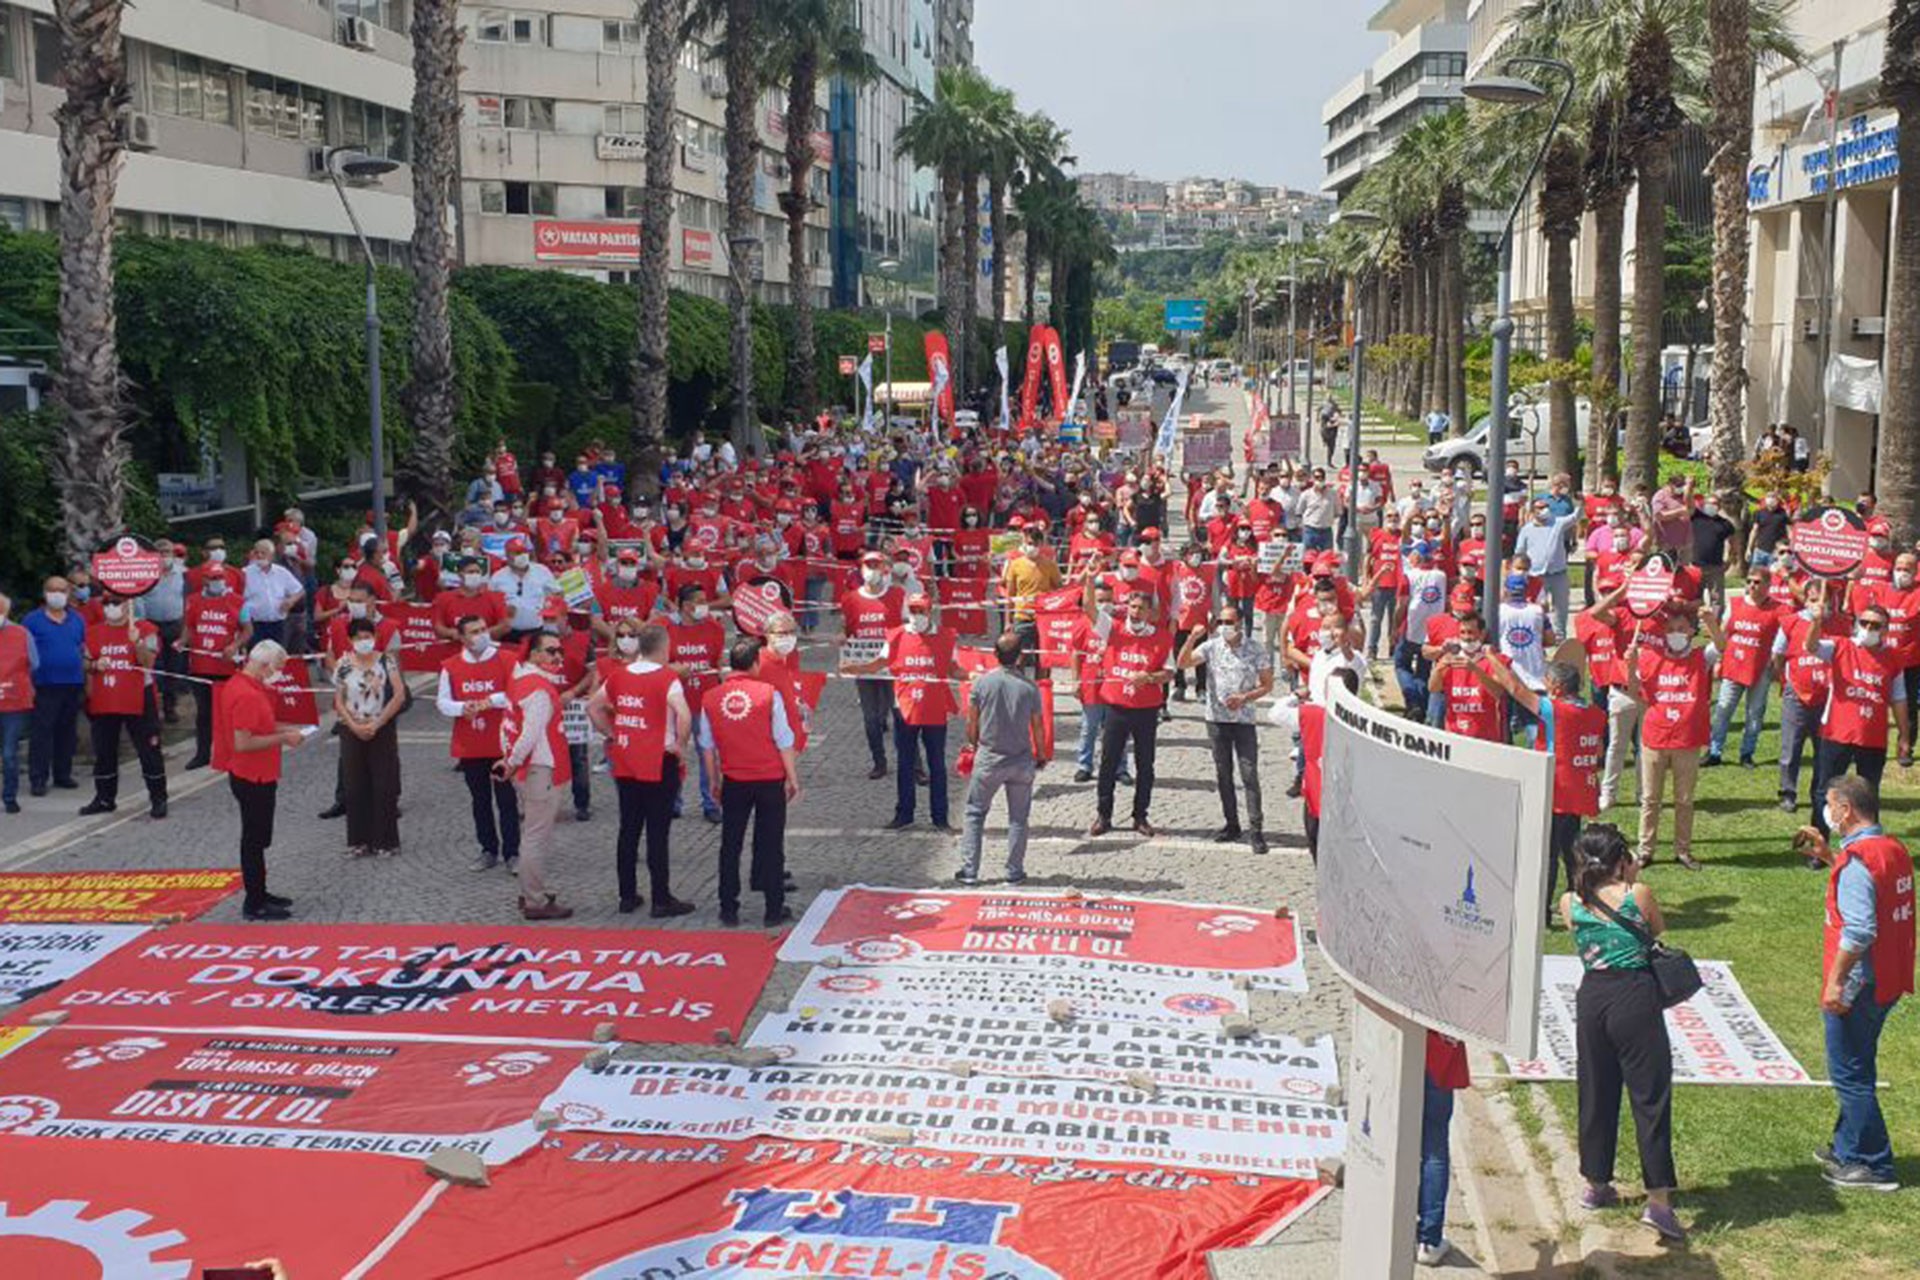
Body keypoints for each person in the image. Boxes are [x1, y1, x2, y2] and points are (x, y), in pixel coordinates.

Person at [1562, 824, 1686, 1243]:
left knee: (1595, 1089)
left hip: (1592, 995)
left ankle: (1596, 1182)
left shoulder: (1569, 903)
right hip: (1634, 995)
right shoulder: (1638, 895)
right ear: (1620, 860)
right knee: (1649, 1096)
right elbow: (1658, 928)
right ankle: (1658, 1202)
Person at [1800, 774, 1913, 1192]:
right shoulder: (1890, 850)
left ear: (1846, 810)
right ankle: (1847, 1148)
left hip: (1861, 982)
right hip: (1889, 976)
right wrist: (1831, 857)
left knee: (1850, 1072)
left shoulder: (1858, 863)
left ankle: (1873, 1163)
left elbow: (1860, 931)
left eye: (1830, 805)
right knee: (1858, 1063)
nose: (1827, 813)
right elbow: (1876, 895)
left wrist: (1836, 982)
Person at [589, 622, 697, 918]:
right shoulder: (667, 678)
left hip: (625, 757)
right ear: (664, 647)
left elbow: (593, 708)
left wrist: (609, 735)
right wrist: (680, 744)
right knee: (657, 831)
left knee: (629, 828)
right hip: (658, 760)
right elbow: (684, 715)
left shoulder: (619, 675)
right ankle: (661, 898)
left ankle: (627, 895)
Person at [699, 639, 802, 927]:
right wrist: (792, 779)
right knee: (771, 844)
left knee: (730, 844)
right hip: (769, 778)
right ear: (756, 663)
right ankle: (773, 908)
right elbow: (784, 740)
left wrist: (713, 782)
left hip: (734, 779)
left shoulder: (711, 697)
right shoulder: (768, 694)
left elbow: (707, 746)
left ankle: (728, 907)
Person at [1803, 583, 1911, 836]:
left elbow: (1899, 699)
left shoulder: (1893, 659)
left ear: (1885, 630)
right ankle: (1818, 844)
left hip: (1872, 738)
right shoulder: (1840, 646)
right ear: (1857, 623)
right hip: (1837, 733)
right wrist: (1816, 621)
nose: (1868, 629)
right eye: (1864, 623)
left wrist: (1904, 736)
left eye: (1875, 625)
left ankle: (1867, 842)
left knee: (1869, 795)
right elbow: (1811, 647)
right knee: (1825, 790)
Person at [213, 641, 308, 921]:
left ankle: (260, 892)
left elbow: (262, 725)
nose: (279, 674)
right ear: (264, 665)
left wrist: (288, 729)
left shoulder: (247, 686)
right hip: (251, 775)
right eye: (278, 668)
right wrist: (284, 737)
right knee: (254, 840)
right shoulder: (247, 695)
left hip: (258, 772)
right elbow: (243, 742)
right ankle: (254, 902)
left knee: (259, 837)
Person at [1627, 608, 1719, 870]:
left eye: (1681, 629)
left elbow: (1721, 645)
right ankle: (1645, 850)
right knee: (1650, 799)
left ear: (1692, 632)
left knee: (1684, 800)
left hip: (1687, 741)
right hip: (1654, 739)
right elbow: (1635, 693)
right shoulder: (1649, 658)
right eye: (1669, 630)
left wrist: (1711, 622)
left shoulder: (1701, 657)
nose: (1674, 634)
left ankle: (1683, 850)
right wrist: (1631, 665)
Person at [956, 630, 1048, 885]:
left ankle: (970, 871)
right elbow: (1038, 727)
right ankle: (1014, 872)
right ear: (1020, 658)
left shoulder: (982, 683)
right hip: (1020, 760)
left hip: (989, 758)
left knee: (975, 813)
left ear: (995, 655)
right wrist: (1040, 754)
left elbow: (971, 722)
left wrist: (972, 746)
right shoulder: (1029, 688)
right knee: (1018, 818)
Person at [1180, 602, 1273, 854]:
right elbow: (1183, 663)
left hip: (1243, 720)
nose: (1224, 627)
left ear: (1240, 623)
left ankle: (1256, 829)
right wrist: (1192, 638)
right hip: (1216, 719)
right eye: (1220, 622)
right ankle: (1232, 824)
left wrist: (1245, 698)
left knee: (1249, 774)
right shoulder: (1211, 647)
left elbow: (1267, 684)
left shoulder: (1255, 649)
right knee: (1223, 774)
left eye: (1229, 622)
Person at [497, 632, 574, 920]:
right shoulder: (538, 690)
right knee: (536, 836)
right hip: (540, 768)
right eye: (550, 651)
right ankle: (534, 901)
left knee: (533, 833)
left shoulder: (521, 682)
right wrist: (513, 761)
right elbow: (528, 734)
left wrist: (511, 760)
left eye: (559, 651)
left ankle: (532, 890)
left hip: (531, 768)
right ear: (533, 655)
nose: (557, 657)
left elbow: (509, 726)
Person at [436, 614, 521, 872]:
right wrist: (465, 707)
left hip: (501, 743)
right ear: (462, 637)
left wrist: (490, 700)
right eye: (474, 631)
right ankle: (488, 849)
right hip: (471, 745)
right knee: (479, 800)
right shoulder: (451, 665)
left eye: (483, 629)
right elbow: (443, 702)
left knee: (506, 800)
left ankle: (512, 852)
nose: (481, 634)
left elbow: (516, 694)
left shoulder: (508, 658)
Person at [1087, 588, 1172, 838]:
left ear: (1150, 613)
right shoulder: (1113, 629)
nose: (1135, 613)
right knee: (1108, 763)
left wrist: (1150, 677)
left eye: (1141, 608)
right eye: (1132, 607)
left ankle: (1140, 816)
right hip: (1116, 707)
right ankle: (1104, 815)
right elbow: (1089, 609)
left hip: (1146, 710)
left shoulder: (1162, 637)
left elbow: (1169, 672)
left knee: (1145, 765)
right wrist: (1090, 578)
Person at [77, 594, 168, 820]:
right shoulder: (93, 632)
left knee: (149, 750)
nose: (110, 608)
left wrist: (136, 642)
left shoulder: (146, 629)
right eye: (106, 603)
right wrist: (95, 664)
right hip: (106, 697)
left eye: (115, 603)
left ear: (128, 605)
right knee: (104, 751)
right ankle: (105, 798)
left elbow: (148, 662)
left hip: (138, 698)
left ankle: (158, 798)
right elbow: (85, 662)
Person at [872, 594, 958, 831]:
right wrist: (852, 667)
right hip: (905, 708)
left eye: (921, 610)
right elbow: (879, 662)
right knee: (905, 762)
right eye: (913, 610)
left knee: (937, 763)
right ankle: (904, 813)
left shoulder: (946, 637)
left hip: (935, 708)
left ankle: (940, 817)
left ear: (931, 612)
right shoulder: (896, 635)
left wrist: (974, 674)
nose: (917, 615)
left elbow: (954, 668)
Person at [330, 616, 404, 859]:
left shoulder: (386, 661)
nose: (365, 641)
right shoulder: (343, 664)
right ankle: (359, 840)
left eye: (368, 636)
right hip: (352, 727)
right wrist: (353, 725)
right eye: (359, 637)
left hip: (381, 726)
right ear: (351, 640)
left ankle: (386, 841)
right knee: (354, 786)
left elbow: (399, 695)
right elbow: (339, 700)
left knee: (384, 784)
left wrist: (378, 722)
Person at [841, 551, 907, 780]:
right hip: (865, 665)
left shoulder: (898, 595)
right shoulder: (850, 599)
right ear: (861, 570)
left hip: (893, 666)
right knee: (871, 719)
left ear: (884, 569)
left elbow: (908, 626)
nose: (872, 571)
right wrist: (844, 641)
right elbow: (848, 630)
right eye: (868, 566)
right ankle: (879, 762)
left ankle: (912, 763)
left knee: (901, 716)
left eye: (876, 566)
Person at [1705, 567, 1781, 768]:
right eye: (1749, 581)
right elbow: (1723, 634)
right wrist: (1719, 660)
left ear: (1767, 585)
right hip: (1733, 666)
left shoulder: (1777, 609)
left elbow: (1784, 638)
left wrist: (1776, 661)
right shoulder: (1735, 604)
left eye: (1757, 582)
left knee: (1754, 714)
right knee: (1723, 710)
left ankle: (1747, 754)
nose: (1752, 586)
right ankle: (1714, 752)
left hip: (1760, 669)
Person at [23, 577, 86, 796]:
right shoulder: (32, 620)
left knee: (66, 732)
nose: (56, 594)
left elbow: (83, 647)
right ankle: (38, 778)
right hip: (44, 684)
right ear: (44, 592)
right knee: (42, 733)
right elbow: (24, 653)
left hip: (73, 682)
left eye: (61, 590)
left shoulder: (77, 619)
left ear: (68, 593)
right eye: (52, 590)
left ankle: (63, 774)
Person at [1418, 1031, 1470, 1267]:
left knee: (1398, 1138)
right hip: (1438, 1050)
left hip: (1400, 1039)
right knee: (1434, 1149)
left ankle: (1396, 1220)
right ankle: (1429, 1240)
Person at [1511, 496, 1580, 636]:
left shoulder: (1557, 523)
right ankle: (1537, 634)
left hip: (1558, 574)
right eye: (1540, 507)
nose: (1545, 510)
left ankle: (1560, 636)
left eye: (1546, 506)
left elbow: (1575, 517)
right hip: (1535, 575)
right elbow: (1519, 552)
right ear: (1533, 511)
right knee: (1536, 607)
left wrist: (1580, 503)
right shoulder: (1526, 530)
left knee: (1561, 607)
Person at [490, 536, 561, 646]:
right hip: (509, 632)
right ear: (507, 555)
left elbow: (558, 594)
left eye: (523, 552)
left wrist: (549, 605)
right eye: (516, 553)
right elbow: (491, 604)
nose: (521, 556)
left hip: (536, 630)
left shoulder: (541, 571)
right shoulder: (498, 577)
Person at [240, 539, 305, 647]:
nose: (260, 555)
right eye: (257, 552)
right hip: (255, 624)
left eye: (263, 552)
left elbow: (299, 590)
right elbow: (237, 598)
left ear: (271, 555)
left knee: (276, 657)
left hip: (278, 624)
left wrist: (290, 601)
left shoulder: (281, 572)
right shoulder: (245, 573)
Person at [0, 594, 30, 814]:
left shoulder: (21, 633)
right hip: (12, 698)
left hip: (13, 701)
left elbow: (34, 663)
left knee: (10, 753)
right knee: (10, 752)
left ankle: (10, 797)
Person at [1689, 497, 1737, 614]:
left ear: (1719, 506)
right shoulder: (1696, 517)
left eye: (1715, 504)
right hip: (1695, 565)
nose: (1712, 506)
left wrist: (1729, 560)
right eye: (1709, 503)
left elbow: (1733, 543)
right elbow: (1688, 502)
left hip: (1715, 566)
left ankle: (1715, 626)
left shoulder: (1725, 524)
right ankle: (1693, 627)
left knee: (1717, 599)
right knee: (1694, 597)